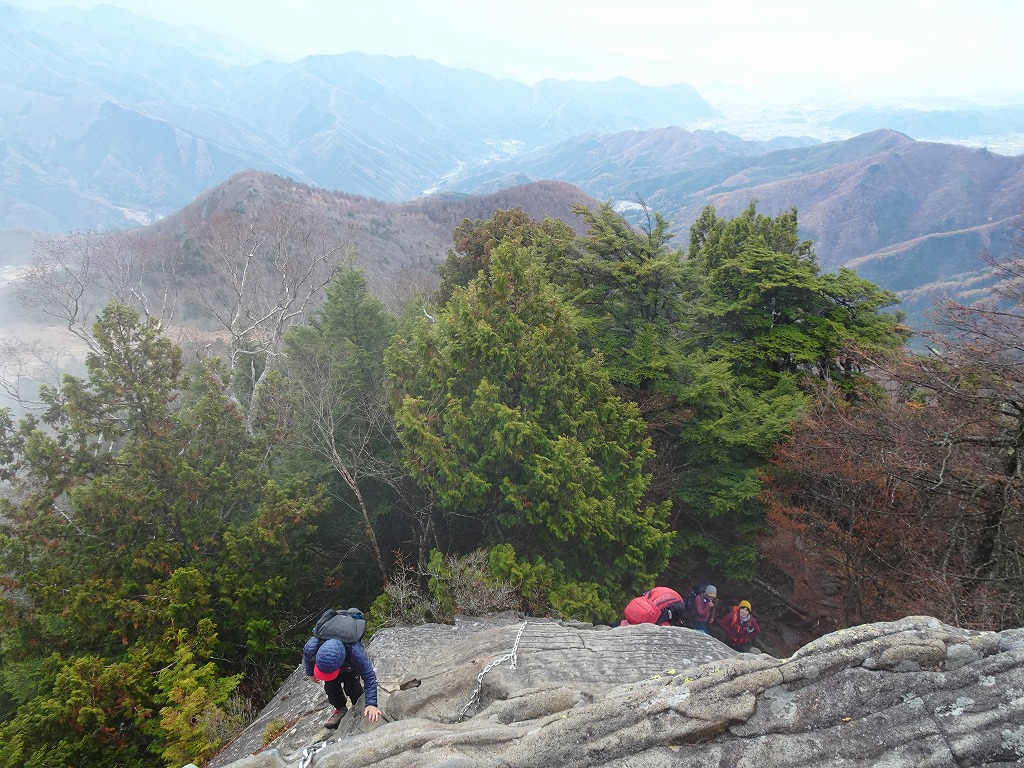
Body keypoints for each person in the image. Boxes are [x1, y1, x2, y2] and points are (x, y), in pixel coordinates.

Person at [303, 636, 382, 727]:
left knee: (353, 688)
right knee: (331, 690)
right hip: (333, 666)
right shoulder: (312, 646)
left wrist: (371, 703)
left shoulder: (355, 653)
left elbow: (369, 676)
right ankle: (340, 709)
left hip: (350, 667)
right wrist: (310, 673)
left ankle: (359, 705)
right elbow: (307, 656)